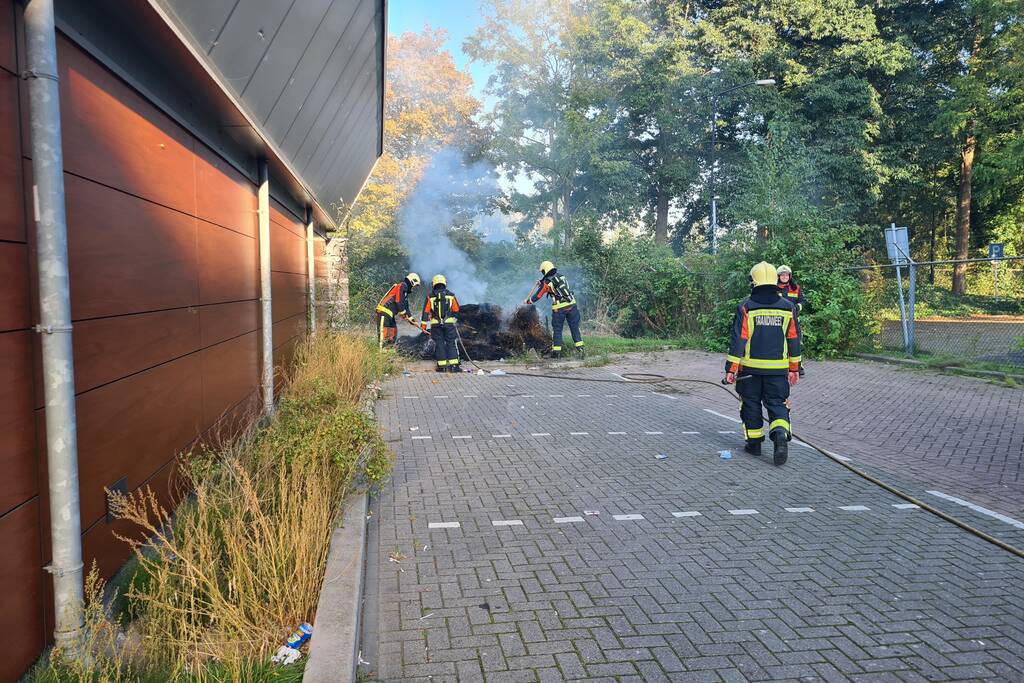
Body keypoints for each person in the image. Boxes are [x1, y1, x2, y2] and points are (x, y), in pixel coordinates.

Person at [724, 261, 801, 466]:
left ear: (753, 281)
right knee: (777, 404)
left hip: (749, 369)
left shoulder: (746, 306)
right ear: (776, 281)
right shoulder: (788, 307)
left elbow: (739, 339)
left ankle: (754, 443)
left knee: (750, 404)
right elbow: (794, 339)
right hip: (777, 369)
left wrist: (730, 369)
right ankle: (780, 435)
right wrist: (795, 368)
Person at [524, 260, 584, 357]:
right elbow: (555, 284)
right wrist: (542, 282)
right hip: (572, 305)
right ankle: (581, 350)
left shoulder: (547, 283)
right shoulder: (561, 276)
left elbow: (537, 296)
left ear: (545, 270)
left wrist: (527, 302)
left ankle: (556, 353)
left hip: (559, 309)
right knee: (574, 328)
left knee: (557, 330)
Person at [420, 274, 461, 372]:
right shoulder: (451, 295)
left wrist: (423, 327)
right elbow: (456, 309)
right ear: (445, 283)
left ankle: (442, 367)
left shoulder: (430, 296)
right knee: (451, 343)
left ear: (433, 284)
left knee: (439, 344)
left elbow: (425, 312)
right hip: (449, 324)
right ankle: (454, 366)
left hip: (436, 325)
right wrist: (454, 318)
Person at [375, 272, 421, 349]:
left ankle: (388, 353)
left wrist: (412, 320)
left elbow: (406, 308)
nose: (414, 288)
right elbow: (398, 301)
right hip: (384, 312)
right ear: (412, 281)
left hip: (390, 315)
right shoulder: (402, 285)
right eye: (415, 286)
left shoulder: (405, 293)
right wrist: (402, 313)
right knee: (384, 333)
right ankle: (381, 353)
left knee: (393, 333)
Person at [776, 265, 807, 376]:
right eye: (782, 275)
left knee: (796, 342)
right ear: (778, 276)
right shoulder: (774, 288)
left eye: (786, 275)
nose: (784, 277)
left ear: (790, 276)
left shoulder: (796, 288)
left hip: (793, 321)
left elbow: (803, 301)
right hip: (778, 321)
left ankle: (798, 365)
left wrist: (798, 307)